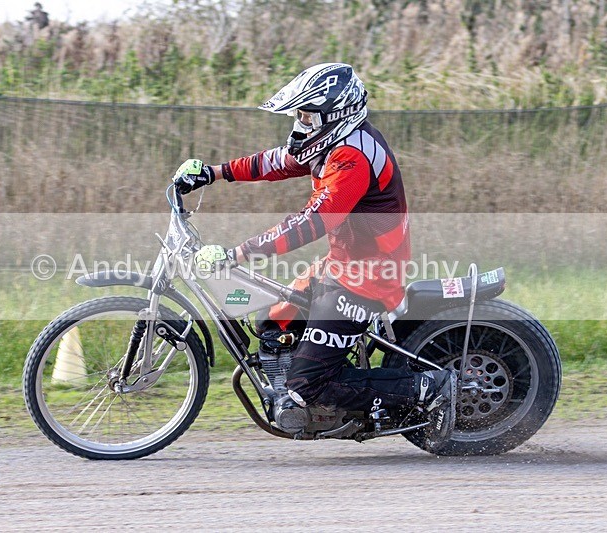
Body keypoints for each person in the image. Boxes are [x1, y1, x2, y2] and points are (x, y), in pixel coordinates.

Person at [173, 63, 456, 448]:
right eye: (299, 116)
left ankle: (427, 386)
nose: (300, 125)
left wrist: (237, 253)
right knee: (272, 325)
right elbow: (276, 162)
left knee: (308, 384)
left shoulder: (352, 159)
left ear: (335, 115)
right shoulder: (330, 143)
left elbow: (311, 222)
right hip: (342, 264)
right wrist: (213, 172)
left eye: (307, 116)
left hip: (368, 277)